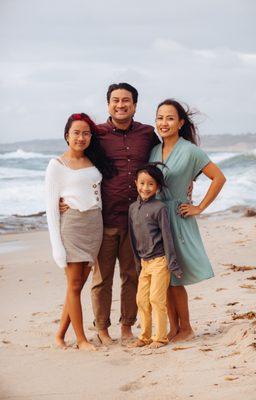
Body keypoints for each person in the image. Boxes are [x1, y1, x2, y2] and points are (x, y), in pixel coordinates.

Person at [60, 83, 160, 345]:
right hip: (102, 218)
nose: (121, 105)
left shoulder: (148, 134)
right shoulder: (98, 134)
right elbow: (73, 161)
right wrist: (63, 196)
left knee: (132, 275)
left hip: (137, 219)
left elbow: (165, 158)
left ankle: (127, 326)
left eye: (126, 100)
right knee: (102, 278)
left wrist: (188, 181)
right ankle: (102, 329)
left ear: (135, 105)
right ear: (108, 105)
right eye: (115, 100)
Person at [149, 99, 226, 342]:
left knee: (174, 276)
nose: (164, 123)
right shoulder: (153, 150)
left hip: (178, 218)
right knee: (163, 277)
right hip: (156, 218)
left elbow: (219, 178)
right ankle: (174, 328)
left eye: (170, 118)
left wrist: (199, 207)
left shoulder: (191, 150)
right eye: (160, 117)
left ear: (181, 123)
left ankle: (187, 328)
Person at [45, 113, 113, 350]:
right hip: (72, 226)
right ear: (67, 135)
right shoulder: (57, 165)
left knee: (77, 285)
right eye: (76, 133)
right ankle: (81, 339)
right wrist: (57, 248)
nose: (81, 137)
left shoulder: (94, 162)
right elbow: (51, 208)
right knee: (74, 285)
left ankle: (59, 335)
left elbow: (98, 197)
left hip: (94, 225)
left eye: (86, 133)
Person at [128, 163, 183, 349]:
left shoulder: (160, 208)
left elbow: (168, 237)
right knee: (141, 300)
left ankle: (160, 338)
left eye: (150, 184)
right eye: (142, 183)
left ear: (157, 187)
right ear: (136, 183)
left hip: (160, 261)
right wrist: (138, 263)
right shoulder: (133, 208)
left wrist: (173, 263)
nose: (145, 188)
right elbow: (133, 237)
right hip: (144, 263)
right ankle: (144, 337)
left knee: (156, 299)